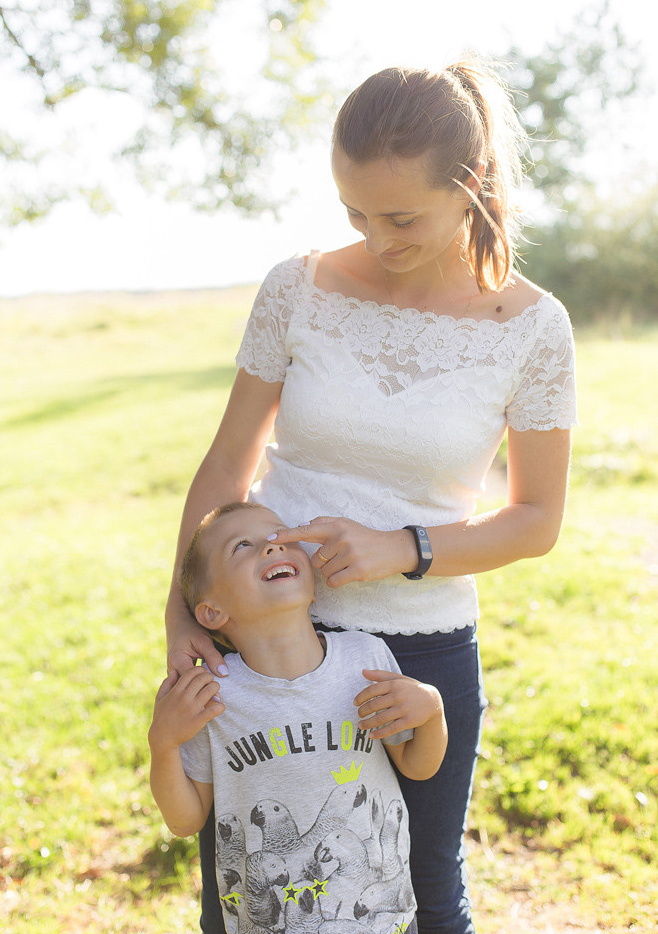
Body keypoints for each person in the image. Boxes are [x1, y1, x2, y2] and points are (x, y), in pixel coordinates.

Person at [164, 61, 577, 934]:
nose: (375, 236)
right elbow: (226, 465)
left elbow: (537, 522)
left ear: (470, 189)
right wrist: (182, 616)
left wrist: (405, 548)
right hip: (272, 637)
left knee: (423, 887)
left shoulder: (535, 329)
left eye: (400, 217)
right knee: (248, 883)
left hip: (421, 654)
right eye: (354, 212)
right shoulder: (298, 287)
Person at [150, 501, 448, 934]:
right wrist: (163, 744)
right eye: (243, 546)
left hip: (378, 922)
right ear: (212, 612)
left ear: (314, 586)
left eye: (279, 536)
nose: (271, 549)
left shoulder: (365, 659)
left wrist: (432, 709)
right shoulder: (211, 695)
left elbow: (417, 766)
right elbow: (184, 820)